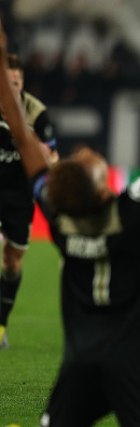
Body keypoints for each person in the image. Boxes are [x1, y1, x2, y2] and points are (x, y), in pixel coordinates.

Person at [0, 17, 140, 425]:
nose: (86, 152)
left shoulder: (60, 220)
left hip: (80, 366)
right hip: (135, 367)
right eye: (89, 162)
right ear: (104, 191)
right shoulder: (132, 215)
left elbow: (21, 133)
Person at [0, 53, 58, 349]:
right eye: (7, 83)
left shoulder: (36, 113)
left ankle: (1, 324)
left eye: (17, 83)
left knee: (13, 261)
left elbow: (53, 158)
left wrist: (41, 152)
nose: (13, 88)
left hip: (18, 194)